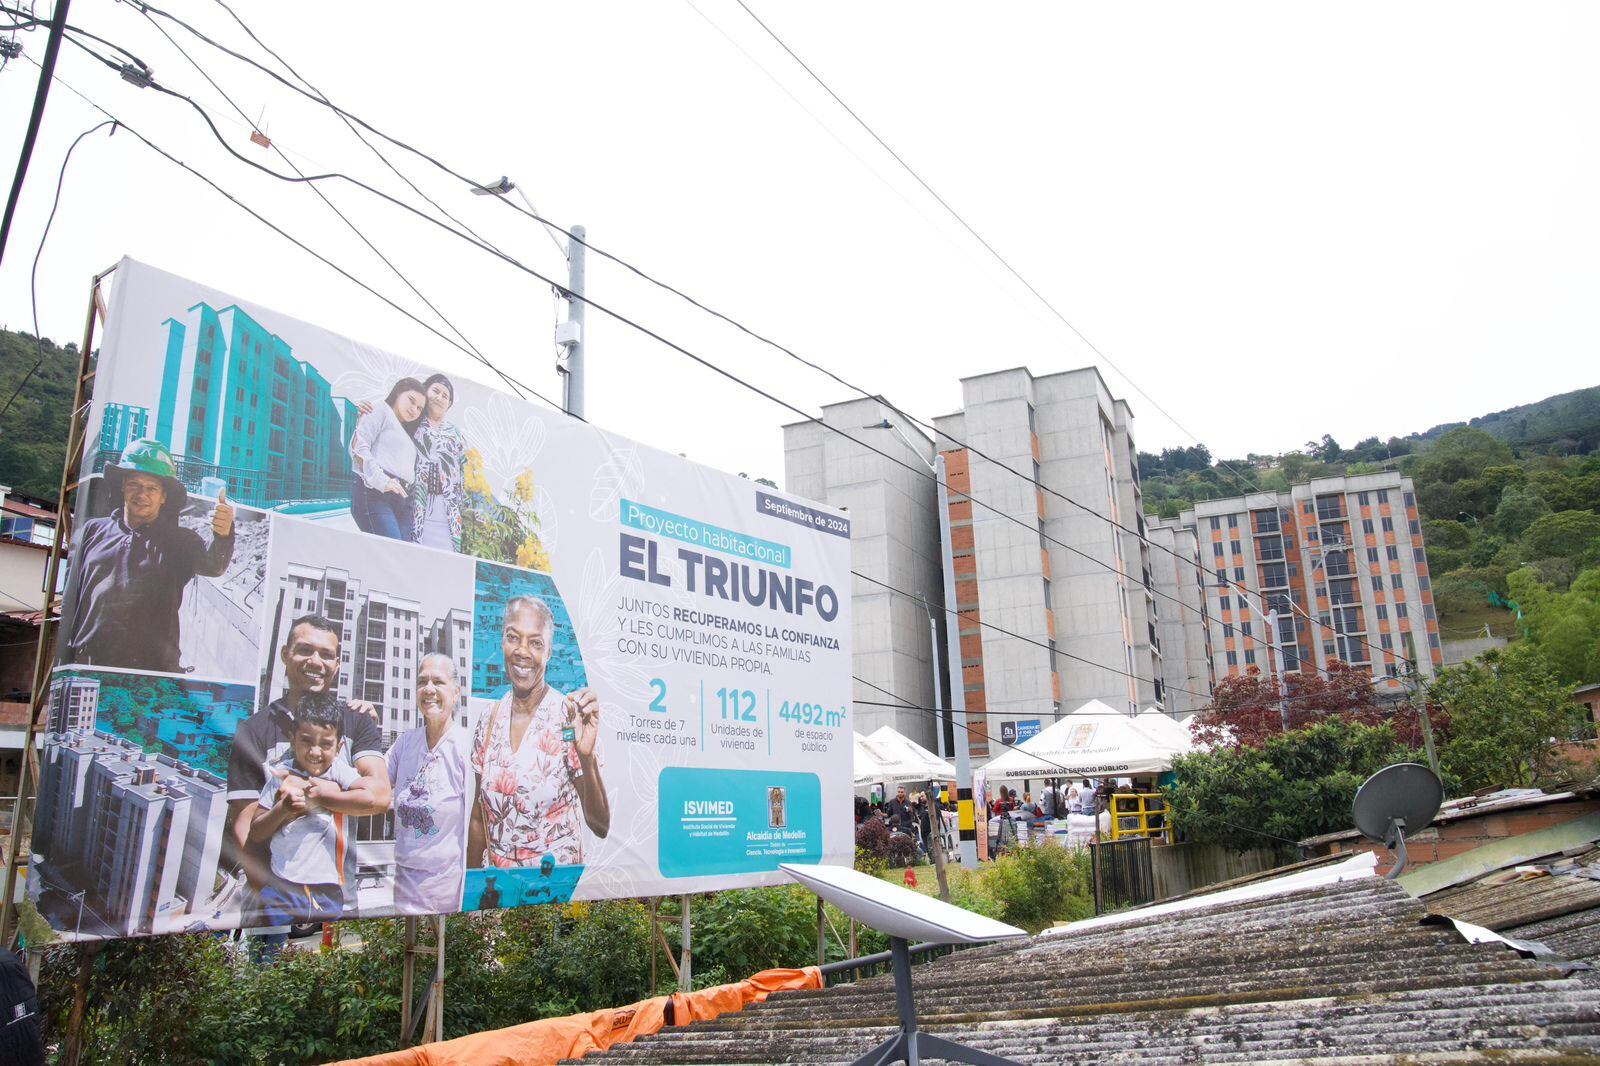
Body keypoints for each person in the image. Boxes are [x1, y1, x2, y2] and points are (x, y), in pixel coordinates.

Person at [226, 615, 392, 925]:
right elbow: (244, 832)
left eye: (326, 654)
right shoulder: (253, 731)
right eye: (305, 650)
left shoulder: (356, 720)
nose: (316, 661)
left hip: (338, 905)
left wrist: (318, 797)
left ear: (337, 664)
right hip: (274, 905)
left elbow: (380, 797)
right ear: (285, 653)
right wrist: (281, 904)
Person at [62, 438, 234, 673]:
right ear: (123, 486)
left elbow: (213, 566)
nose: (142, 494)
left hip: (149, 674)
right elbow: (71, 597)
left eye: (152, 488)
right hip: (89, 666)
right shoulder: (92, 531)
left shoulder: (180, 541)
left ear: (164, 496)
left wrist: (223, 535)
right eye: (134, 484)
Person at [469, 596, 610, 868]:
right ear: (502, 641)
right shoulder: (489, 718)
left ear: (548, 653)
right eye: (513, 637)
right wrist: (471, 895)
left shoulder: (568, 717)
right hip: (499, 896)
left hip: (552, 898)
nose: (522, 651)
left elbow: (600, 824)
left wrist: (587, 757)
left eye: (535, 643)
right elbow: (479, 816)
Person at [247, 691, 374, 924]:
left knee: (330, 955)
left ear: (339, 747)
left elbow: (369, 797)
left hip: (328, 889)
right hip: (281, 885)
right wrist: (283, 808)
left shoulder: (339, 771)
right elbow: (256, 833)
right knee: (266, 955)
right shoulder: (279, 775)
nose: (315, 752)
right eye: (306, 740)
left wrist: (323, 794)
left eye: (326, 744)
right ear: (292, 738)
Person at [386, 653, 471, 914]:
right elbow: (372, 784)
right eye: (422, 682)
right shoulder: (405, 743)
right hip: (404, 887)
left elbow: (479, 822)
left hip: (448, 890)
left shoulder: (466, 747)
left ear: (456, 693)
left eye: (438, 682)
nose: (429, 689)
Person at [350, 377, 426, 540]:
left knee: (400, 557)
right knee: (391, 553)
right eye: (411, 401)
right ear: (398, 392)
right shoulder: (380, 408)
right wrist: (382, 480)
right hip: (377, 493)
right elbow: (358, 446)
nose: (414, 409)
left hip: (405, 501)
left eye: (419, 408)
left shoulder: (407, 432)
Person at [410, 374, 469, 551]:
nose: (439, 398)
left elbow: (464, 471)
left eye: (445, 396)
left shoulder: (455, 432)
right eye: (435, 391)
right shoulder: (412, 421)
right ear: (425, 390)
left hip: (447, 509)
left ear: (449, 404)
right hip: (415, 504)